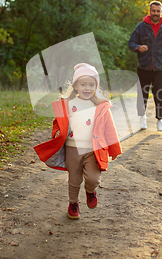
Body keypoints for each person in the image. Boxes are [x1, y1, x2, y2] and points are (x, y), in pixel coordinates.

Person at [34, 63, 122, 219]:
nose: (87, 88)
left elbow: (110, 128)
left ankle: (90, 191)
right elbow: (58, 122)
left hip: (92, 149)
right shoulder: (67, 104)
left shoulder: (100, 106)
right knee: (74, 179)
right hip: (72, 149)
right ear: (75, 86)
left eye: (91, 84)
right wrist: (57, 133)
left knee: (93, 178)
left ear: (96, 86)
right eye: (83, 84)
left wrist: (114, 148)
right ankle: (73, 203)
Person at [128, 0, 162, 131]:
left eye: (158, 11)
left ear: (161, 12)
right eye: (153, 11)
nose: (156, 13)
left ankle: (159, 120)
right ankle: (142, 117)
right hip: (144, 66)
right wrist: (138, 47)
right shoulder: (141, 27)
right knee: (142, 93)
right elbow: (131, 43)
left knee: (159, 93)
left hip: (160, 67)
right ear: (150, 12)